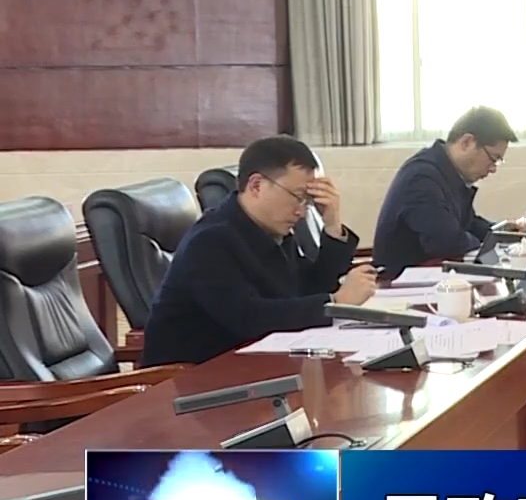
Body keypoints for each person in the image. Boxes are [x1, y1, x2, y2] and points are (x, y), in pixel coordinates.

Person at [140, 136, 374, 366]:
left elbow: (307, 288)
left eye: (308, 202)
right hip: (186, 379)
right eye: (298, 197)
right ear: (256, 185)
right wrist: (335, 302)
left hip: (247, 367)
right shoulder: (209, 241)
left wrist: (332, 225)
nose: (301, 212)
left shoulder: (268, 229)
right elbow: (248, 317)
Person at [373, 106, 526, 273]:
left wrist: (501, 232)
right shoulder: (422, 177)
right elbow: (446, 241)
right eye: (493, 158)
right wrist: (487, 249)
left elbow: (467, 224)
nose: (493, 169)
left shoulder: (447, 171)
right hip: (399, 281)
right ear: (467, 142)